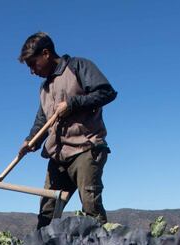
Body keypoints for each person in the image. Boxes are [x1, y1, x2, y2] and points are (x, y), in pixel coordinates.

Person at [17, 32, 117, 229]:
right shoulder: (44, 88)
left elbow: (106, 92)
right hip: (58, 156)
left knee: (91, 207)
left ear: (45, 53)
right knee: (47, 211)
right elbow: (42, 120)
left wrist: (72, 103)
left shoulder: (78, 66)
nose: (32, 71)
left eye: (32, 64)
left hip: (85, 148)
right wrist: (31, 141)